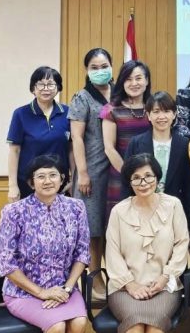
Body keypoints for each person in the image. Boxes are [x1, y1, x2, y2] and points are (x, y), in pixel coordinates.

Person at [0, 155, 89, 333]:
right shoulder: (14, 212)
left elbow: (82, 253)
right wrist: (41, 292)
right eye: (40, 176)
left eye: (53, 175)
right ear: (31, 182)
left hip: (64, 288)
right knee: (57, 326)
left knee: (80, 323)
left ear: (62, 178)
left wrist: (68, 288)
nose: (47, 181)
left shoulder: (76, 207)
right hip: (23, 292)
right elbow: (5, 262)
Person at [105, 153, 189, 333]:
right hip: (124, 288)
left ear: (157, 177)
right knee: (135, 326)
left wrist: (165, 277)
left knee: (154, 326)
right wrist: (130, 284)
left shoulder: (173, 205)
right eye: (136, 178)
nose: (143, 183)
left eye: (148, 176)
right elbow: (112, 253)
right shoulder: (118, 211)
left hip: (164, 286)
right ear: (129, 182)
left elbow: (182, 244)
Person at [68, 47, 113, 298]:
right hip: (92, 170)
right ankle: (95, 278)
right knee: (93, 228)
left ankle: (115, 275)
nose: (100, 71)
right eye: (94, 67)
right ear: (87, 70)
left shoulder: (120, 93)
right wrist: (82, 173)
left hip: (117, 170)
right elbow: (76, 137)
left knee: (113, 228)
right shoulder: (82, 97)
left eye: (104, 66)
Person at [124, 91, 190, 227]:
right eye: (156, 111)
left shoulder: (185, 144)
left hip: (175, 211)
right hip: (141, 211)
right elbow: (126, 181)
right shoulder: (136, 143)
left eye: (166, 111)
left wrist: (189, 221)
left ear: (174, 114)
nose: (161, 117)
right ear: (148, 115)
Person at [7, 66, 70, 201]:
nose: (46, 89)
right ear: (33, 88)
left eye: (51, 84)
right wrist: (12, 185)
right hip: (28, 183)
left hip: (59, 183)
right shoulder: (20, 114)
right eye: (41, 84)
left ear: (58, 88)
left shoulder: (68, 113)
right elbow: (14, 151)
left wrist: (73, 179)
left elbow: (72, 149)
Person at [101, 60, 152, 218]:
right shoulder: (111, 110)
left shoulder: (154, 107)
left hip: (151, 176)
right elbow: (109, 148)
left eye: (138, 78)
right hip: (121, 175)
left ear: (147, 81)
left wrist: (147, 176)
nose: (134, 83)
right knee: (123, 220)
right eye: (128, 79)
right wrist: (130, 175)